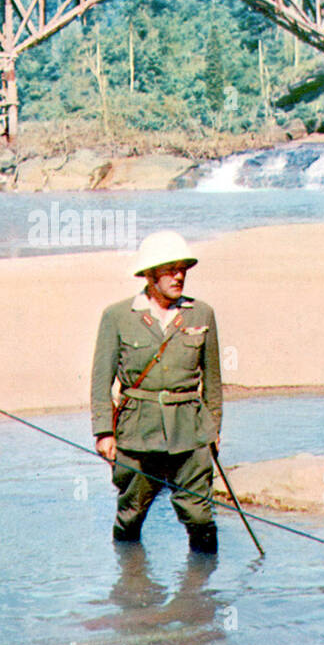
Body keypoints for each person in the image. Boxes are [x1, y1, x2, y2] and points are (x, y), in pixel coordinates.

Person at [90, 230, 223, 553]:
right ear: (149, 275)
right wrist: (104, 432)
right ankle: (130, 589)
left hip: (190, 432)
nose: (179, 276)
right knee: (131, 514)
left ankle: (203, 597)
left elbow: (214, 382)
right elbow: (100, 380)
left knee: (199, 516)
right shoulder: (118, 316)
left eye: (183, 269)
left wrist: (213, 430)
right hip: (137, 432)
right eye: (170, 270)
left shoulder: (201, 313)